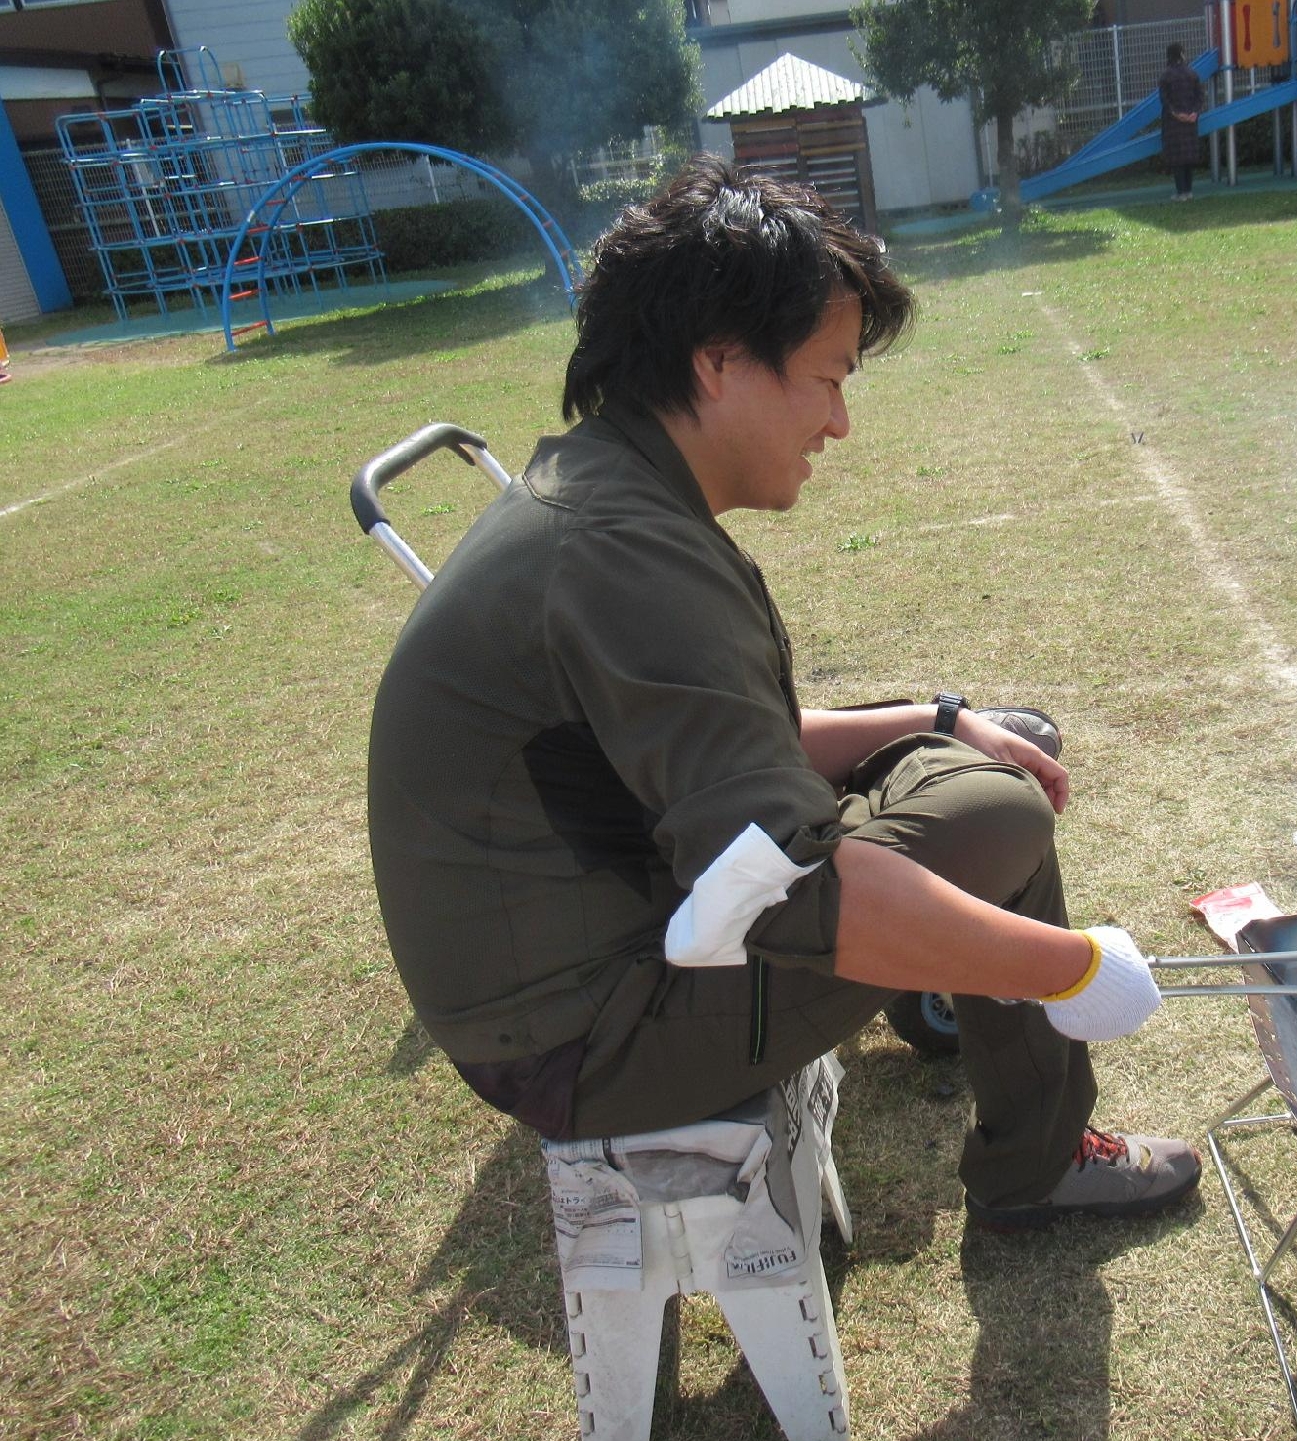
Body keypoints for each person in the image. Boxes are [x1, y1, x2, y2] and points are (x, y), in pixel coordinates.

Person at [367, 157, 1200, 1233]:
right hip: (587, 1035)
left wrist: (937, 718)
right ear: (719, 364)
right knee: (997, 807)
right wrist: (1072, 967)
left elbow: (722, 750)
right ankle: (1035, 1165)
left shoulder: (609, 493)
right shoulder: (624, 553)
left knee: (990, 754)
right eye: (828, 377)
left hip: (608, 941)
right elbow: (793, 890)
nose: (840, 422)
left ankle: (945, 998)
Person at [1158, 42, 1204, 202]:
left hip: (1173, 123)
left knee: (1177, 158)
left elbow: (1165, 100)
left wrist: (1177, 114)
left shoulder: (1165, 76)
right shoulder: (1192, 74)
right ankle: (1189, 191)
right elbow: (1200, 96)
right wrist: (1194, 112)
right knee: (1189, 157)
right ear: (1182, 54)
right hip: (1191, 120)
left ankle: (1180, 192)